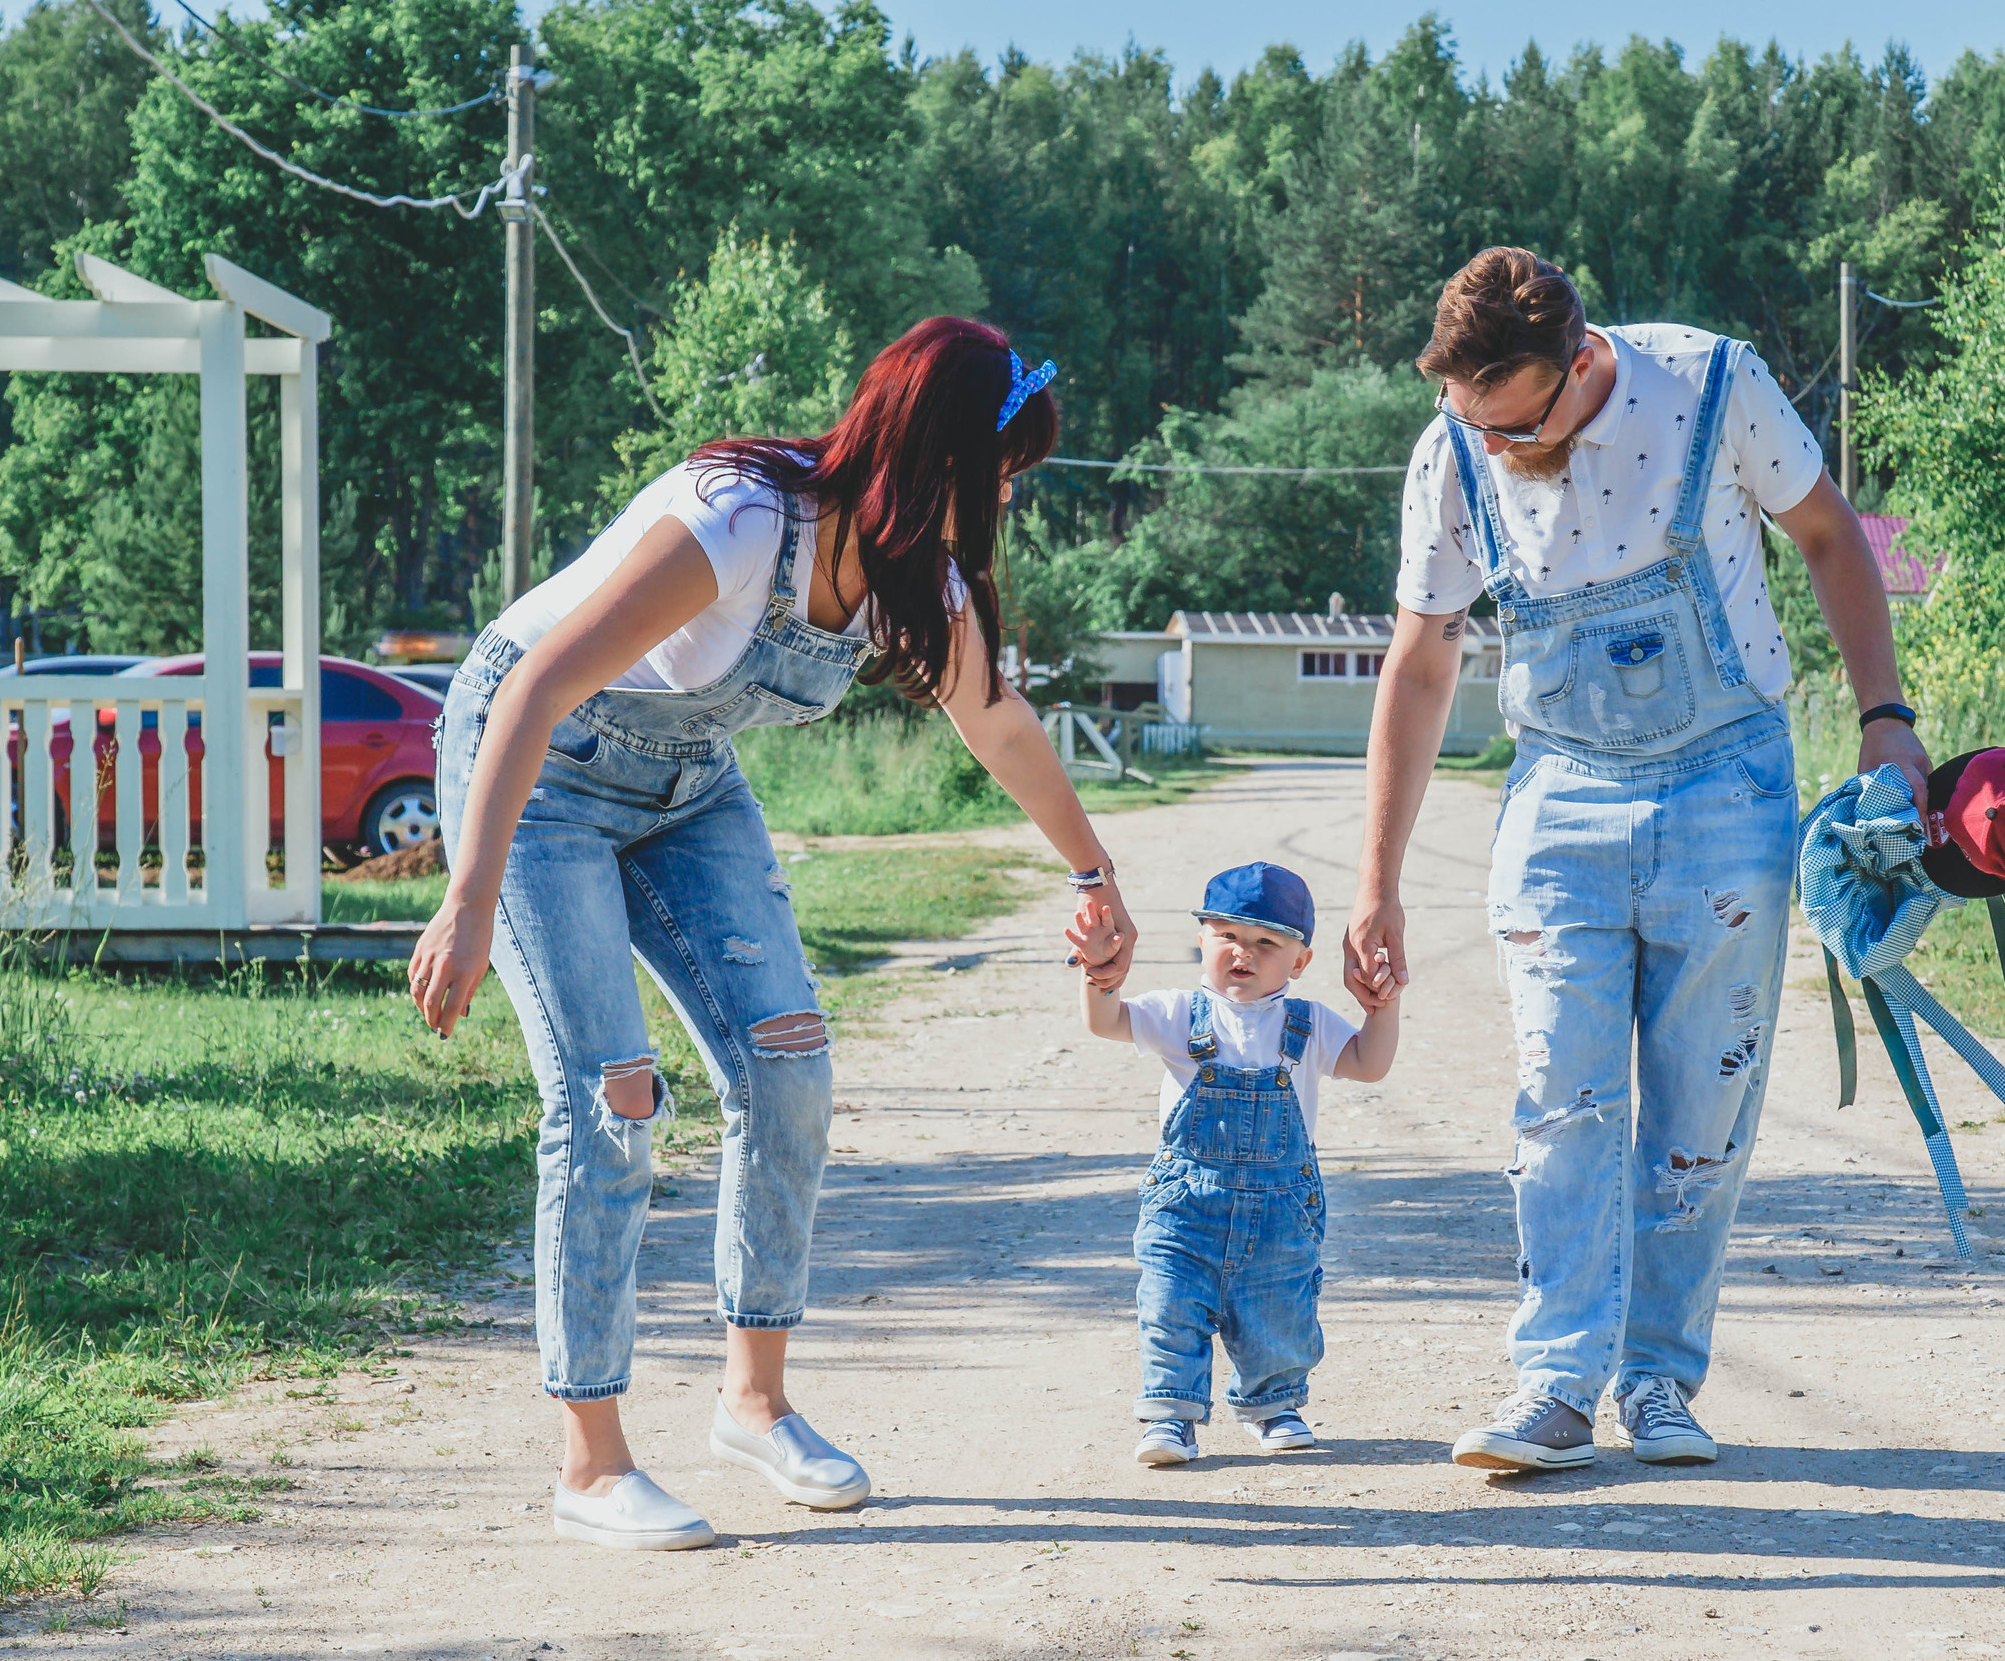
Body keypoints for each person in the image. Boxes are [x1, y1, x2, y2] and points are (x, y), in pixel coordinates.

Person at [408, 319, 1138, 1550]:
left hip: (687, 786)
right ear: (937, 454)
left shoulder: (916, 575)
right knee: (613, 1096)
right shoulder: (740, 521)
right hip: (536, 777)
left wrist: (1093, 871)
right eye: (1002, 469)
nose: (1009, 495)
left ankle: (754, 1402)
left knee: (790, 1061)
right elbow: (533, 688)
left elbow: (999, 724)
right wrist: (469, 898)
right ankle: (590, 1463)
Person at [1344, 248, 1931, 1474]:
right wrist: (1377, 881)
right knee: (1561, 1098)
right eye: (1477, 426)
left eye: (1517, 426)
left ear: (1582, 363)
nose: (1499, 451)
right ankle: (1553, 1384)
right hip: (1557, 799)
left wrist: (1888, 725)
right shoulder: (1452, 447)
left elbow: (1827, 535)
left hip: (1729, 790)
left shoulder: (1715, 385)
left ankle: (1659, 1380)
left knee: (1698, 1114)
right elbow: (1421, 659)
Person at [1068, 862, 1400, 1465]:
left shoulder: (1310, 1024)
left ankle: (1274, 1406)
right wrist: (1099, 972)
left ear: (1299, 960)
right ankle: (1170, 1415)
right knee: (1169, 1304)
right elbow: (1106, 1022)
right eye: (1226, 936)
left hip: (1280, 1210)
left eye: (1265, 943)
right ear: (1202, 939)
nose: (1242, 953)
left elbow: (1369, 1065)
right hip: (1185, 1205)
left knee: (1279, 1310)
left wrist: (1381, 1008)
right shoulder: (1177, 1015)